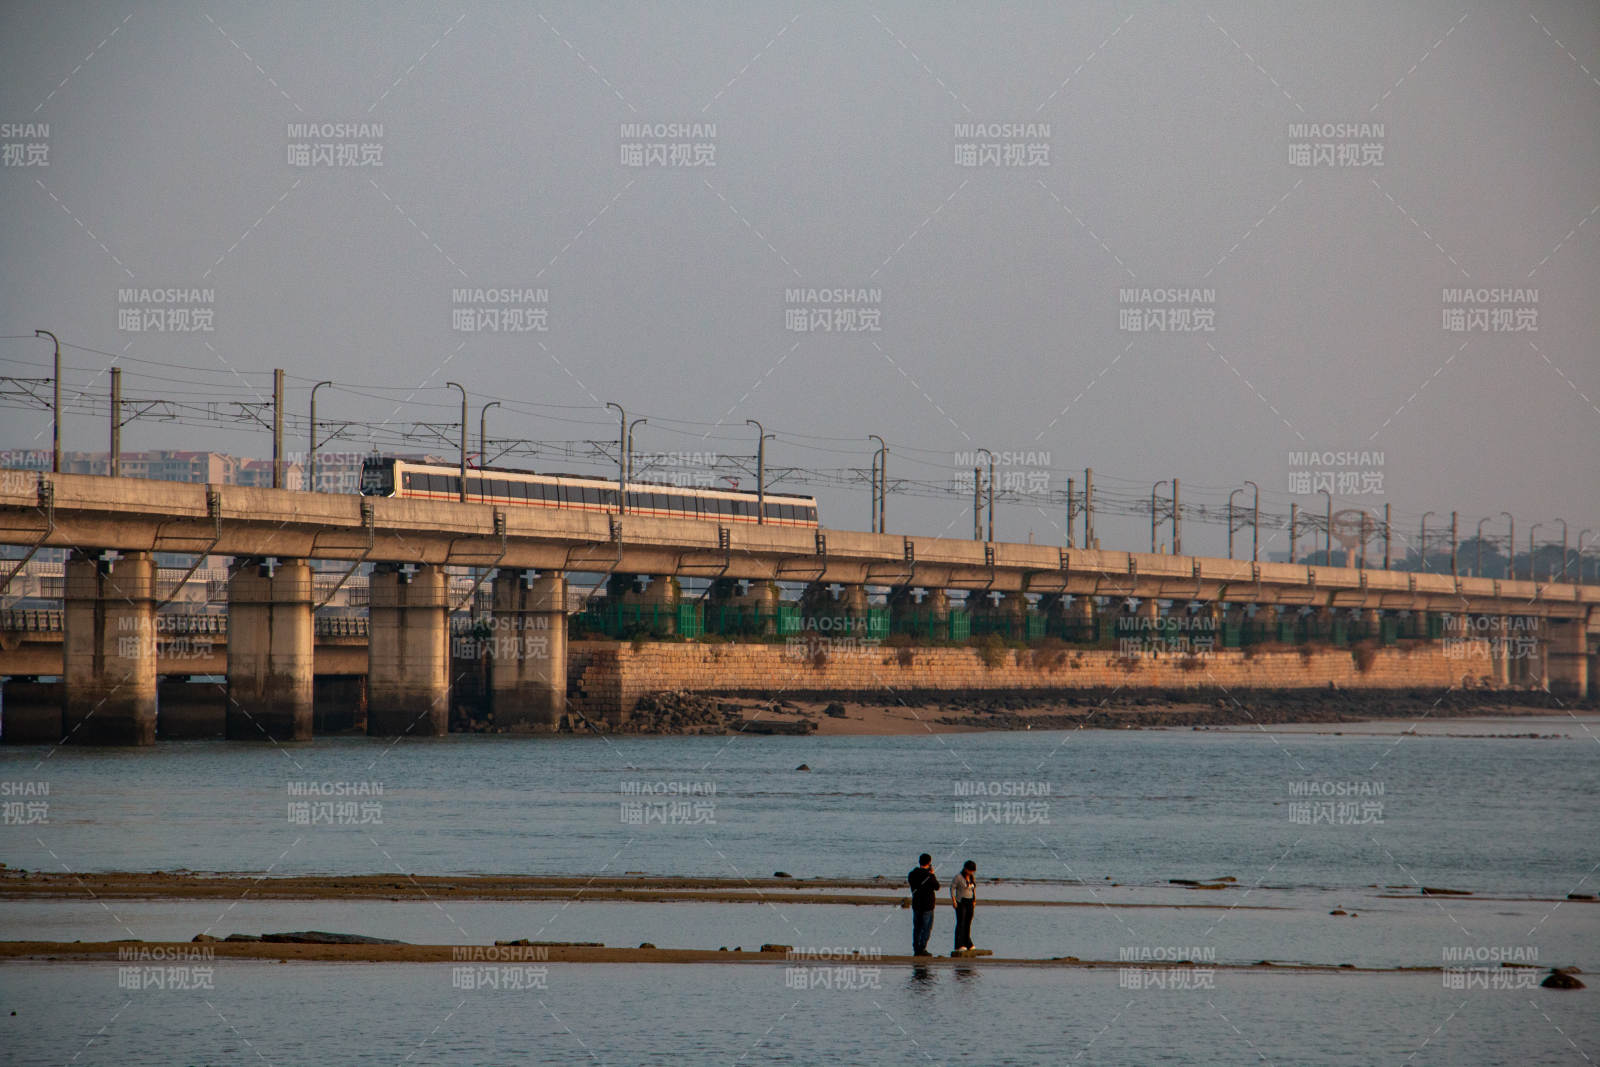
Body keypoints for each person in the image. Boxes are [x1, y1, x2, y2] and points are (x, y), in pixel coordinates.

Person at [907, 853, 940, 957]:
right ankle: (922, 948)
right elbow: (937, 886)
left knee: (917, 927)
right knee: (926, 928)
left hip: (916, 903)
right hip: (927, 905)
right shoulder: (929, 875)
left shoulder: (912, 874)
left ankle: (916, 947)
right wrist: (932, 874)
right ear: (929, 862)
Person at [951, 859, 977, 955]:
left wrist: (974, 900)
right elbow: (952, 888)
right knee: (961, 922)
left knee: (968, 922)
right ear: (966, 869)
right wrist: (953, 900)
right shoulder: (958, 877)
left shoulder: (971, 877)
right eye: (970, 870)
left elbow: (973, 889)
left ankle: (968, 943)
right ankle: (959, 944)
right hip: (961, 901)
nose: (972, 872)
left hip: (970, 901)